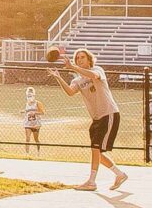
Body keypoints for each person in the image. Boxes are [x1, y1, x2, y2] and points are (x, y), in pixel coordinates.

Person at [48, 46, 130, 191]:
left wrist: (72, 67)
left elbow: (93, 76)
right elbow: (70, 92)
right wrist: (58, 77)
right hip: (97, 118)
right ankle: (120, 174)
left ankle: (91, 182)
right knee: (97, 151)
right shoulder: (78, 80)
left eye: (82, 57)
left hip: (109, 113)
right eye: (77, 58)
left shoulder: (98, 70)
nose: (79, 59)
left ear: (89, 59)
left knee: (95, 148)